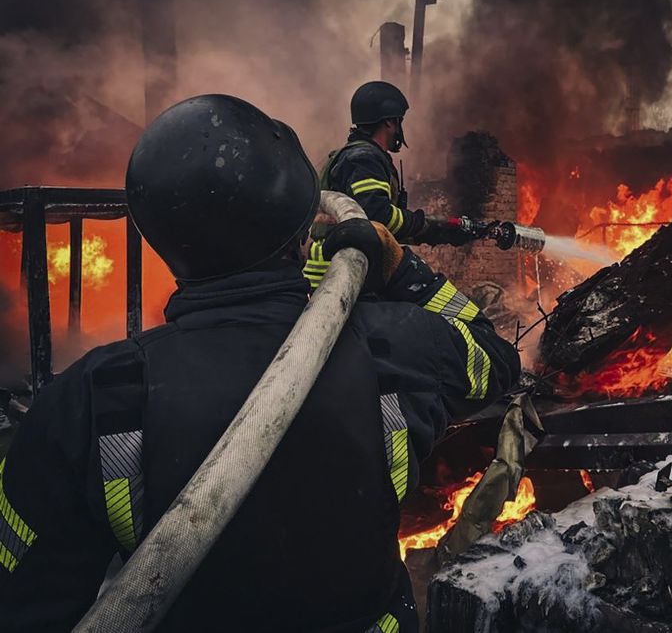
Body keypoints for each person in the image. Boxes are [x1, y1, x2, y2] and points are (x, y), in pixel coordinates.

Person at [0, 94, 520, 632]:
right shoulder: (395, 345)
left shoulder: (88, 401)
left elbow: (22, 604)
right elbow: (496, 357)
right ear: (301, 231)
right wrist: (401, 269)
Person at [311, 82, 470, 268]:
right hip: (340, 272)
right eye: (399, 121)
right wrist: (421, 223)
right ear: (389, 121)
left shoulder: (357, 156)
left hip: (347, 265)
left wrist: (440, 231)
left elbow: (382, 228)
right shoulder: (364, 159)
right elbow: (377, 216)